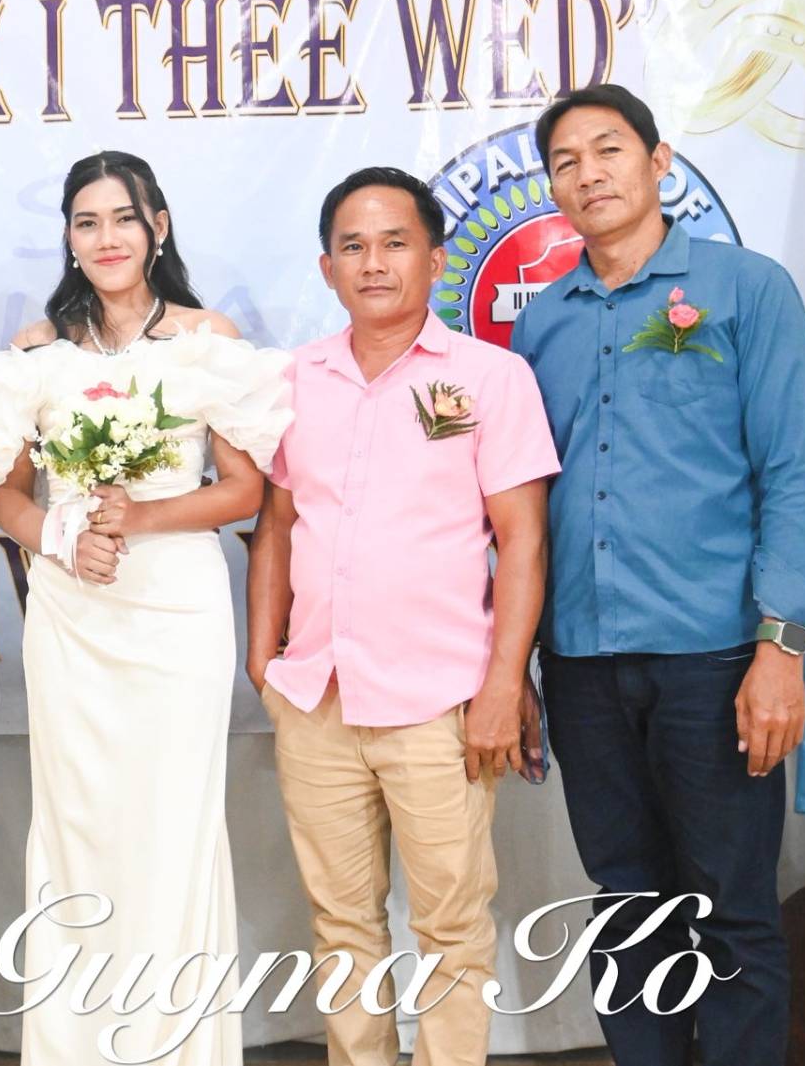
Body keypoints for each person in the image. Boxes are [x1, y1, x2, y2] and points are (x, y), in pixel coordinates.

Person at [509, 84, 805, 1065]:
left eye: (608, 149)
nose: (588, 173)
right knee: (627, 907)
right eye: (566, 161)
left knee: (731, 909)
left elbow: (791, 475)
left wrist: (781, 649)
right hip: (580, 663)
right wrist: (518, 666)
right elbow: (521, 511)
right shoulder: (541, 327)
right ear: (552, 189)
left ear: (659, 163)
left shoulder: (745, 290)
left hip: (717, 658)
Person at [0, 150, 291, 1065]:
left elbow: (244, 490)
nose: (106, 237)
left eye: (123, 217)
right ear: (69, 238)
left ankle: (173, 1043)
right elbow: (7, 496)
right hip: (73, 613)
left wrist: (138, 516)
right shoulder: (37, 351)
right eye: (87, 221)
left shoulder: (205, 337)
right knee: (77, 822)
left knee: (171, 823)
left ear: (157, 226)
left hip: (176, 612)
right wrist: (62, 535)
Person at [246, 167, 559, 1066]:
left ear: (434, 257)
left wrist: (501, 685)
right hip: (316, 696)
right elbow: (275, 526)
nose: (373, 263)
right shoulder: (293, 380)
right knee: (341, 923)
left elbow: (523, 542)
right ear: (326, 267)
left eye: (394, 243)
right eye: (352, 246)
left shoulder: (488, 378)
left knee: (451, 925)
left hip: (440, 702)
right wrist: (263, 661)